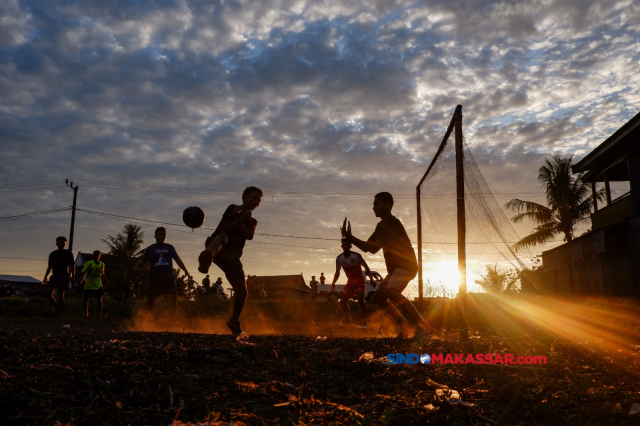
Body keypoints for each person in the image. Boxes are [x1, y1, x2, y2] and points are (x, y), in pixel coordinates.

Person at [341, 192, 435, 339]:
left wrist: (350, 238)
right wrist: (350, 238)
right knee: (377, 298)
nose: (374, 208)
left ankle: (424, 327)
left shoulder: (392, 224)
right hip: (395, 270)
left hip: (406, 266)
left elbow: (371, 248)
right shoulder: (380, 226)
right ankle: (404, 327)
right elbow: (368, 247)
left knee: (392, 291)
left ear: (387, 204)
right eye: (373, 205)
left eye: (376, 204)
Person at [198, 186, 262, 337]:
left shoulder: (252, 221)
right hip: (218, 248)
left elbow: (249, 236)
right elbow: (224, 228)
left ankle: (234, 321)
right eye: (254, 197)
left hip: (232, 258)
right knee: (223, 237)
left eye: (259, 200)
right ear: (245, 197)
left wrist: (242, 221)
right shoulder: (232, 209)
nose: (256, 202)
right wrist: (239, 218)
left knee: (242, 292)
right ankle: (207, 258)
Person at [135, 227, 192, 316]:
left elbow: (178, 260)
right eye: (160, 234)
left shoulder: (170, 247)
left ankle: (171, 323)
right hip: (154, 279)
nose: (162, 236)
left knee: (173, 303)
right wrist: (136, 269)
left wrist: (186, 271)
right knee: (149, 302)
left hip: (168, 280)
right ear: (155, 236)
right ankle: (145, 322)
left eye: (164, 234)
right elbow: (142, 261)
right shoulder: (150, 249)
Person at [331, 239, 376, 328]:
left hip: (359, 281)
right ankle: (347, 319)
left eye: (347, 244)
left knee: (360, 300)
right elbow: (337, 272)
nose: (346, 246)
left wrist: (371, 279)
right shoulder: (339, 258)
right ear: (342, 246)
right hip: (350, 282)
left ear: (350, 246)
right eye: (344, 244)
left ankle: (364, 322)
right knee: (343, 301)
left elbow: (366, 267)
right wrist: (333, 282)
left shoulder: (356, 256)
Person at [42, 236, 75, 317]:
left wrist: (72, 276)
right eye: (60, 243)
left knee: (61, 294)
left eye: (63, 243)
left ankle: (60, 313)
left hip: (64, 275)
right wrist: (46, 276)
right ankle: (56, 308)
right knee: (48, 293)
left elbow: (72, 266)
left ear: (65, 244)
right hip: (54, 275)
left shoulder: (68, 253)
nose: (62, 244)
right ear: (57, 243)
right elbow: (50, 266)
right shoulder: (53, 254)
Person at [81, 250, 109, 318]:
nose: (97, 256)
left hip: (98, 284)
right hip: (89, 283)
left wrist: (106, 279)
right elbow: (83, 272)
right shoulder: (89, 263)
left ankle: (99, 314)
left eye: (98, 255)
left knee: (100, 299)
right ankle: (86, 312)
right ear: (93, 255)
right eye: (95, 255)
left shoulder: (102, 264)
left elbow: (102, 274)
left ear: (100, 256)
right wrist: (80, 280)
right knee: (86, 299)